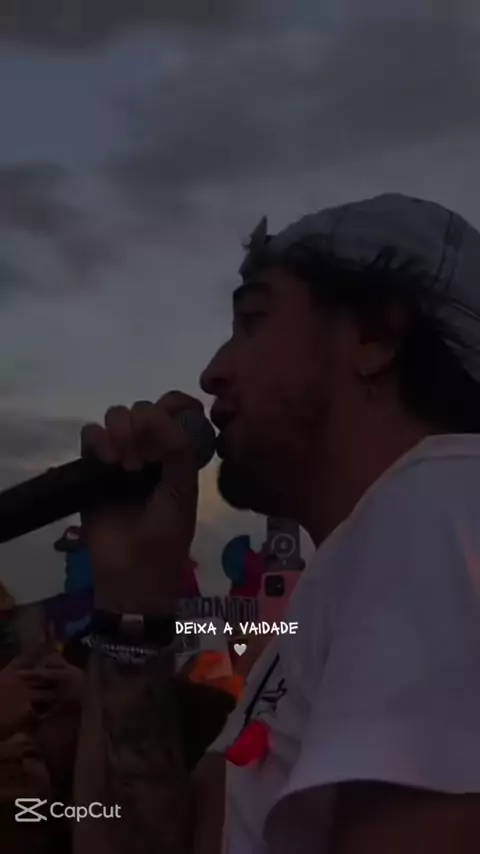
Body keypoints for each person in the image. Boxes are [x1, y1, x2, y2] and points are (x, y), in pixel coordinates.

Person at [74, 194, 480, 854]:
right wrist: (130, 601)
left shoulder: (437, 500)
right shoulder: (351, 578)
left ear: (375, 337)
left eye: (253, 322)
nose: (213, 372)